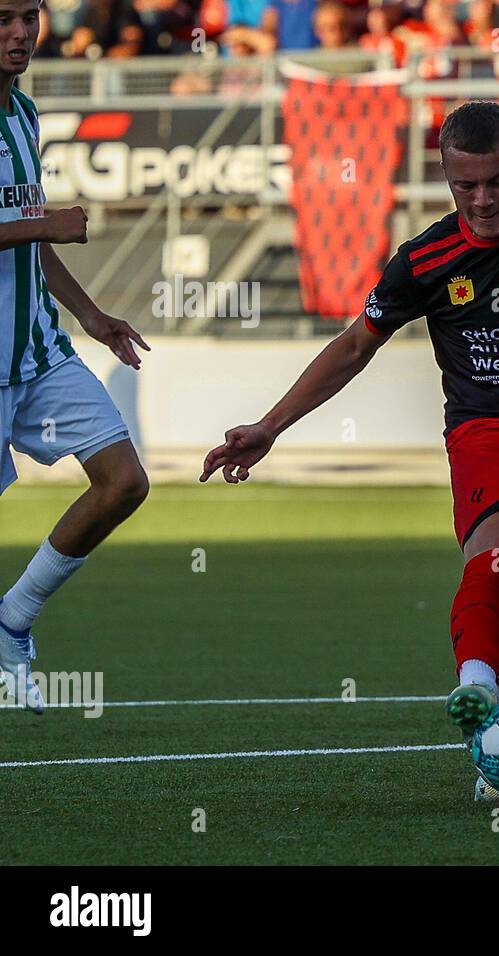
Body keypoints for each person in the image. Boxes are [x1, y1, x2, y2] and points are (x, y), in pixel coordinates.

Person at [199, 102, 499, 801]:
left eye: (497, 181)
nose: (482, 200)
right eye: (465, 187)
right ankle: (479, 691)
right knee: (498, 548)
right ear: (445, 178)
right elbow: (354, 347)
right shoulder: (425, 260)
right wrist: (271, 426)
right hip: (488, 428)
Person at [0, 0, 152, 713]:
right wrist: (45, 222)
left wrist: (91, 316)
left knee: (123, 481)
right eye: (3, 17)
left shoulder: (25, 114)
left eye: (28, 15)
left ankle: (13, 619)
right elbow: (37, 226)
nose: (21, 32)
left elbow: (33, 240)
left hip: (37, 356)